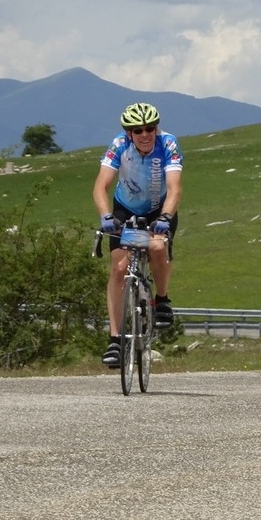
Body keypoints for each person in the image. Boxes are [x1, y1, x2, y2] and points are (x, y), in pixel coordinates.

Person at [93, 102, 183, 367]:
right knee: (119, 267)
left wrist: (166, 217)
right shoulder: (119, 145)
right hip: (125, 208)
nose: (145, 134)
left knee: (156, 248)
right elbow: (101, 186)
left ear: (156, 128)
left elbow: (175, 189)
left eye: (149, 128)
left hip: (159, 210)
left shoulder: (168, 144)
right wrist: (106, 216)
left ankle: (162, 300)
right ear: (129, 133)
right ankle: (115, 340)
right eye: (137, 130)